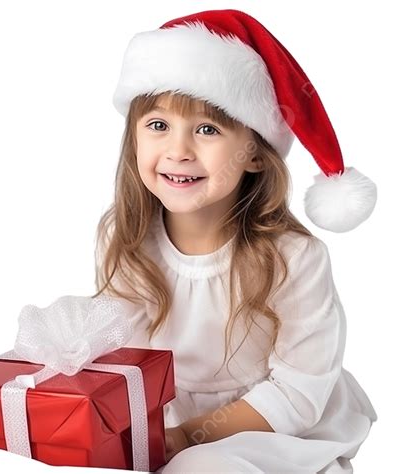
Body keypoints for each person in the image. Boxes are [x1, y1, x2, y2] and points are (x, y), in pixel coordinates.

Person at [92, 9, 378, 473]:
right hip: (173, 426)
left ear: (256, 156)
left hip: (281, 426)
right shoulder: (128, 242)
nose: (179, 150)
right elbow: (122, 353)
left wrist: (188, 436)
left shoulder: (293, 258)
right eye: (158, 125)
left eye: (207, 129)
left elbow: (298, 391)